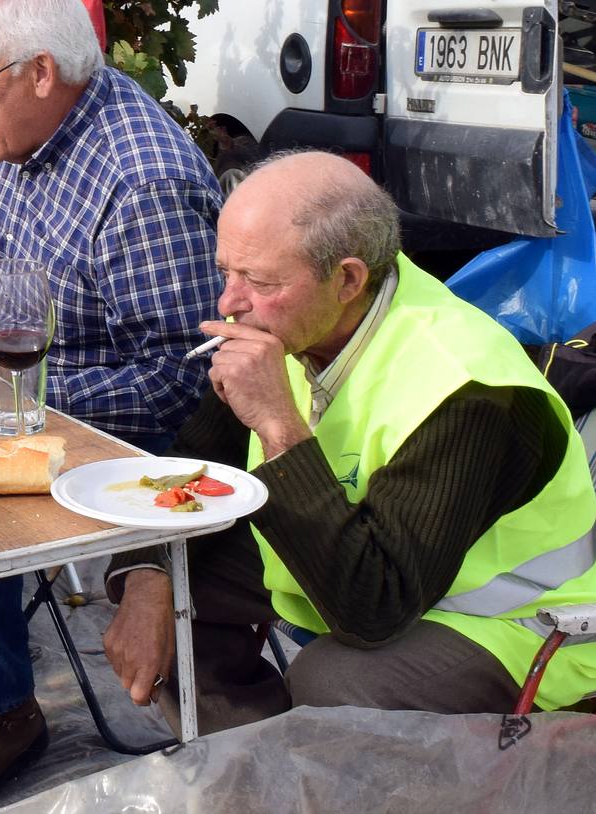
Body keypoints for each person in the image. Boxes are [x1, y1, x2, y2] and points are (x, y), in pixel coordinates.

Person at [102, 152, 596, 730]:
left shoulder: (469, 389)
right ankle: (251, 768)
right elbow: (195, 466)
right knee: (174, 593)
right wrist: (146, 579)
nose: (228, 304)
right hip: (362, 557)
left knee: (333, 679)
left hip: (514, 625)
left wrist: (280, 426)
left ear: (348, 279)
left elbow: (373, 609)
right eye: (226, 272)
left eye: (259, 281)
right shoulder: (298, 324)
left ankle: (319, 776)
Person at [0, 0, 223, 808]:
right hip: (17, 384)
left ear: (41, 72)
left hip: (118, 433)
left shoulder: (142, 181)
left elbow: (187, 382)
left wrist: (19, 403)